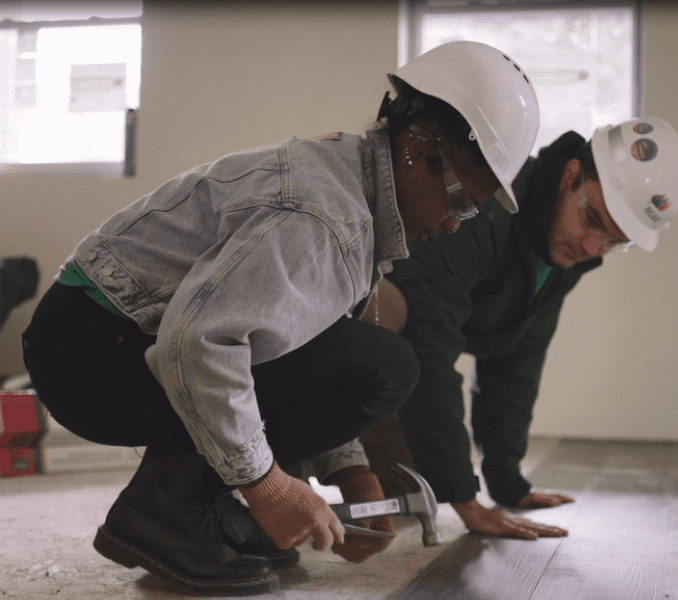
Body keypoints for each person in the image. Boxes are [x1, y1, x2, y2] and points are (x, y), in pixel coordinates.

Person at [21, 41, 539, 597]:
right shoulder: (320, 217)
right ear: (417, 146)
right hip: (89, 348)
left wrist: (351, 472)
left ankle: (205, 509)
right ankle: (166, 510)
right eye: (461, 201)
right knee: (385, 364)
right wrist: (268, 486)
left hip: (114, 333)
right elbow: (196, 343)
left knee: (367, 355)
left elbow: (303, 349)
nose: (458, 222)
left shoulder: (353, 196)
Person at [359, 117, 678, 540]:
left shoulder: (564, 250)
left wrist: (506, 482)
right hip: (339, 340)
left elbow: (517, 359)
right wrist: (464, 500)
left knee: (415, 485)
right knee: (402, 493)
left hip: (401, 356)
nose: (594, 249)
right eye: (593, 219)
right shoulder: (487, 204)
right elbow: (428, 345)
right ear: (570, 174)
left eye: (615, 240)